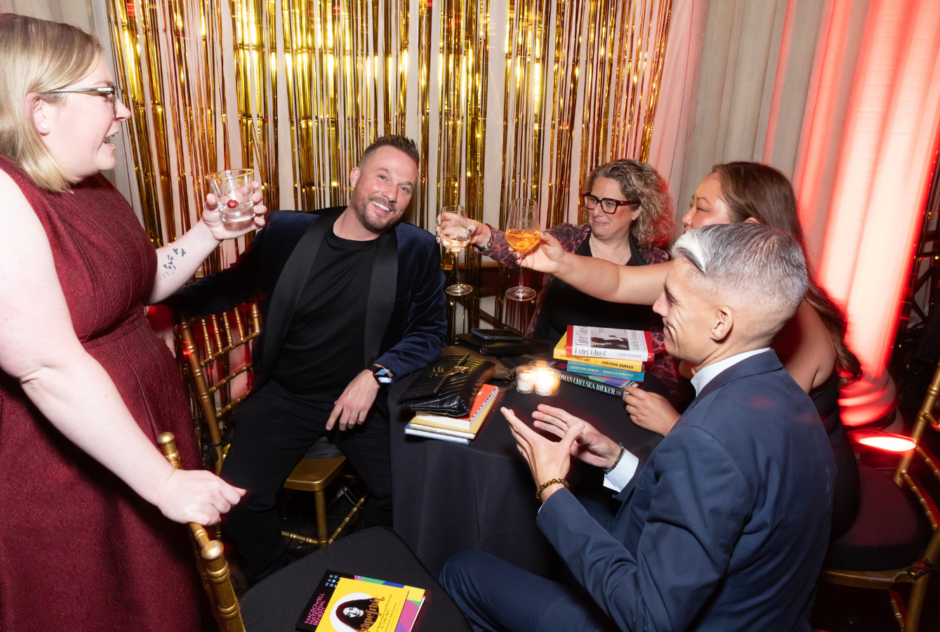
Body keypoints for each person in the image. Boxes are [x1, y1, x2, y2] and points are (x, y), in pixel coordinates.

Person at [0, 14, 262, 631]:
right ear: (40, 110)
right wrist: (162, 484)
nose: (121, 112)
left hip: (138, 437)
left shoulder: (84, 181)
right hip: (67, 471)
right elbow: (45, 365)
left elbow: (134, 285)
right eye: (104, 93)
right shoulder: (6, 195)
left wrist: (209, 234)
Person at [441, 223, 836, 631]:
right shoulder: (791, 399)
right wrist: (618, 461)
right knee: (572, 516)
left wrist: (550, 486)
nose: (658, 307)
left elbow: (649, 618)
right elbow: (721, 506)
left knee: (463, 570)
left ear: (721, 323)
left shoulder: (708, 438)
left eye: (675, 300)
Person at [517, 161, 861, 538]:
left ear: (746, 231)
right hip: (743, 469)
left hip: (805, 495)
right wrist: (562, 262)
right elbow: (617, 282)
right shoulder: (712, 279)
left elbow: (753, 449)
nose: (685, 217)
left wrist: (672, 422)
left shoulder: (787, 318)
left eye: (701, 207)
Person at [166, 134, 448, 582]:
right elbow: (232, 286)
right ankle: (281, 583)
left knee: (407, 491)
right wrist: (157, 302)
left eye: (406, 187)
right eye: (383, 176)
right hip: (288, 394)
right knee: (238, 503)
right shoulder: (288, 231)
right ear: (354, 177)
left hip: (362, 402)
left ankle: (360, 571)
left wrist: (378, 373)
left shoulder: (417, 249)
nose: (392, 194)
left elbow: (431, 332)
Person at [437, 159, 682, 404]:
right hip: (553, 376)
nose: (596, 211)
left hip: (621, 390)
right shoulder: (569, 239)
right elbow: (522, 249)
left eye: (609, 203)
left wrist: (667, 405)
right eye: (593, 199)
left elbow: (664, 351)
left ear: (637, 209)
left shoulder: (655, 262)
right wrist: (484, 236)